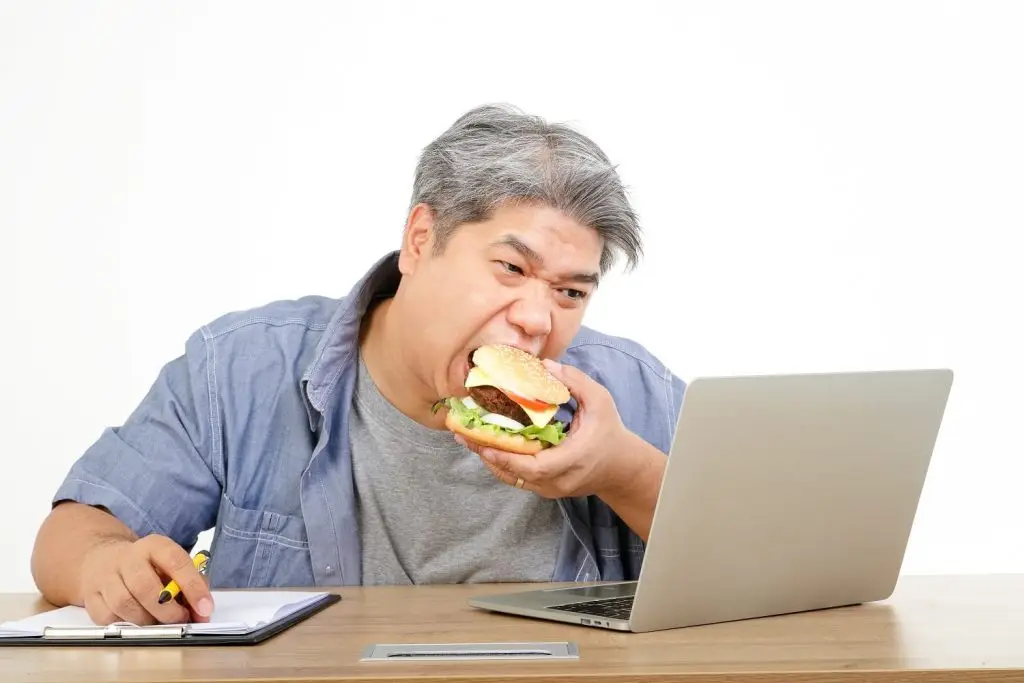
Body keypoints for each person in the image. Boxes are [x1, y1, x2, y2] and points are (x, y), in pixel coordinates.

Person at [30, 104, 686, 626]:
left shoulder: (628, 389)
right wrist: (111, 566)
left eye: (571, 291)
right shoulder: (241, 369)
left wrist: (622, 468)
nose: (540, 319)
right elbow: (71, 533)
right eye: (511, 268)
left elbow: (772, 568)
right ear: (420, 240)